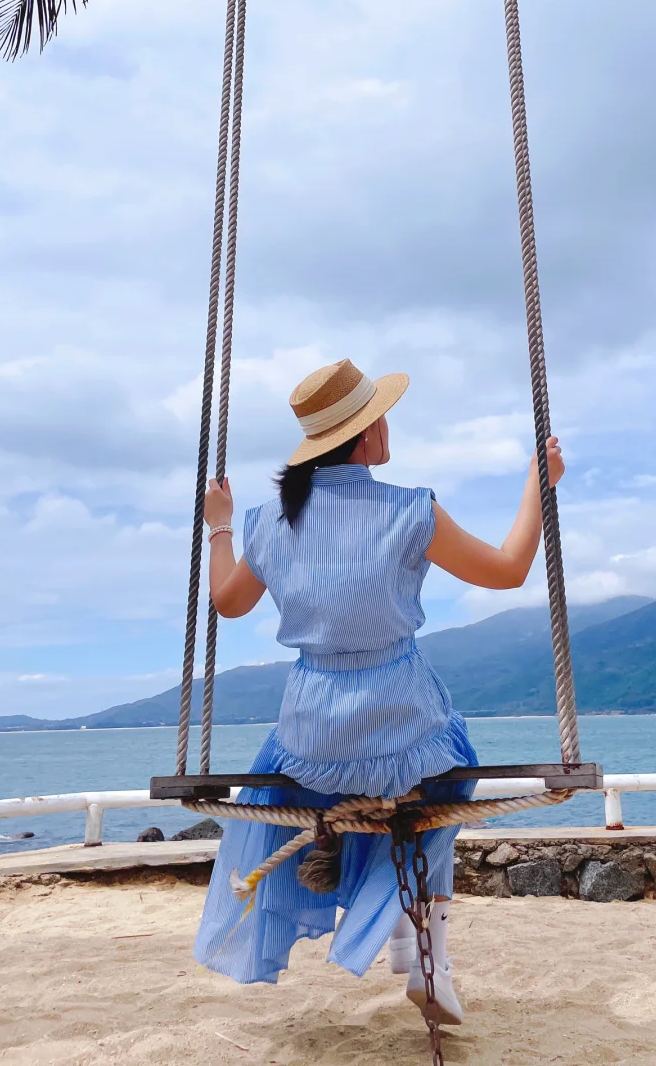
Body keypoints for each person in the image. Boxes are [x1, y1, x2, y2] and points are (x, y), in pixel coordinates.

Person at [193, 357, 564, 1025]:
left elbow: (228, 601)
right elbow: (509, 571)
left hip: (312, 735)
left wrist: (220, 523)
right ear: (365, 437)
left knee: (301, 763)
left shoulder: (271, 519)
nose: (387, 425)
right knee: (448, 770)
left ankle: (376, 898)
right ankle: (425, 948)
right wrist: (541, 483)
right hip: (399, 720)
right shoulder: (408, 509)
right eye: (380, 416)